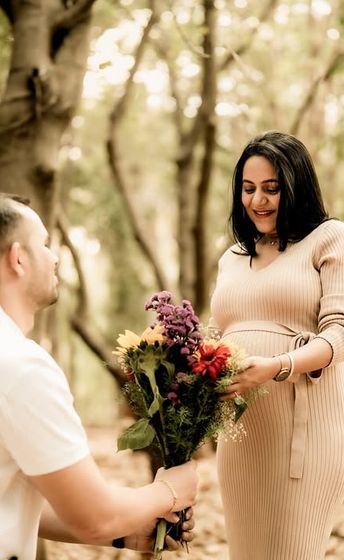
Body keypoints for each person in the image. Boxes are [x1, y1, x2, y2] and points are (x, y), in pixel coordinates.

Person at [0, 193, 198, 560]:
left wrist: (124, 533)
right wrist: (172, 490)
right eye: (44, 244)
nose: (54, 256)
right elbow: (94, 516)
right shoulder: (21, 367)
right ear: (18, 258)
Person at [210, 131, 344, 560]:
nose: (258, 200)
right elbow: (215, 335)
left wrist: (278, 365)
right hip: (242, 437)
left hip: (308, 427)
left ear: (295, 186)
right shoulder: (232, 258)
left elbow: (343, 334)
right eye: (248, 189)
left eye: (271, 188)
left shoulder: (332, 239)